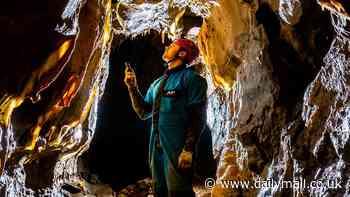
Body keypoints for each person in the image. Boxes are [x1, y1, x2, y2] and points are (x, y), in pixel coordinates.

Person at [124, 38, 208, 197]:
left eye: (173, 45)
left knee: (178, 192)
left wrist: (188, 149)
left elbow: (198, 117)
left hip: (177, 147)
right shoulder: (157, 83)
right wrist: (132, 87)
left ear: (182, 53)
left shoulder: (193, 80)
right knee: (159, 191)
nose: (168, 47)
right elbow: (143, 112)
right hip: (155, 147)